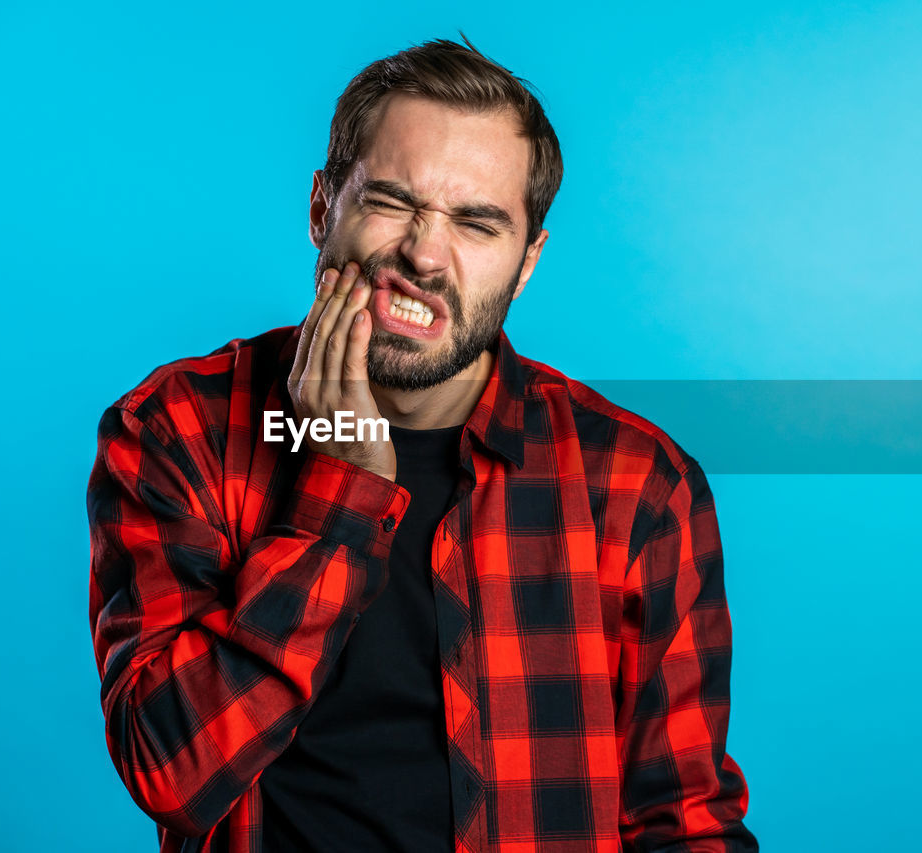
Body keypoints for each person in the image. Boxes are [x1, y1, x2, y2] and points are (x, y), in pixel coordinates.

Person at [87, 37, 757, 853]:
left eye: (477, 223)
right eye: (393, 202)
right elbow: (170, 772)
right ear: (320, 208)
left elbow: (684, 822)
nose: (424, 255)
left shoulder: (638, 485)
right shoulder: (181, 429)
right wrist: (340, 493)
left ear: (526, 264)